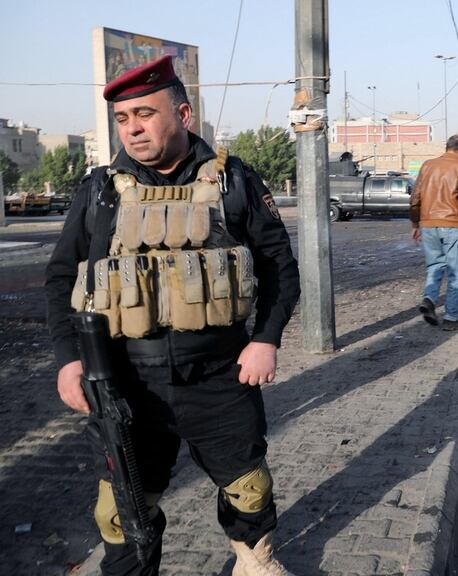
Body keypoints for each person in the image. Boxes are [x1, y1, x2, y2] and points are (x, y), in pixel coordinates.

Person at [44, 56, 300, 575]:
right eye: (122, 119)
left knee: (250, 490)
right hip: (126, 382)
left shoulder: (234, 182)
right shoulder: (99, 190)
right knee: (122, 512)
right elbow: (58, 277)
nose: (132, 128)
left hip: (218, 376)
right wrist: (69, 360)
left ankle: (254, 563)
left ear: (182, 114)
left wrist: (266, 339)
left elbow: (281, 268)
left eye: (144, 113)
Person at [410, 135, 458, 331]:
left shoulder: (427, 165)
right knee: (457, 273)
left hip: (427, 224)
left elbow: (415, 197)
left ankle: (430, 298)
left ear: (446, 147)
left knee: (435, 266)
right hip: (451, 224)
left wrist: (416, 224)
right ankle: (451, 317)